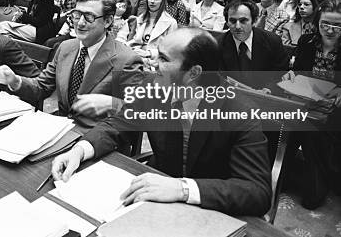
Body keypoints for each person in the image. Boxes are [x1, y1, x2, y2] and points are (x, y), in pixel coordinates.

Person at [52, 28, 272, 216]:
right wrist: (79, 151)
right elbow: (116, 125)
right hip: (155, 200)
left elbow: (257, 192)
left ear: (194, 73)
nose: (151, 63)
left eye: (163, 59)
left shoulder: (239, 110)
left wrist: (182, 188)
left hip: (209, 210)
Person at [0, 0, 144, 127]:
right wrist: (15, 81)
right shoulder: (66, 47)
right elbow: (42, 87)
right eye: (77, 15)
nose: (80, 23)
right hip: (63, 127)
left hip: (99, 140)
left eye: (89, 17)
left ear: (108, 21)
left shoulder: (126, 60)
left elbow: (136, 112)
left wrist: (112, 103)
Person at [282, 0, 341, 209]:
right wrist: (290, 75)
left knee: (312, 197)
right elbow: (297, 71)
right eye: (325, 23)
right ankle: (284, 175)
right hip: (302, 103)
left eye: (337, 25)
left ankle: (315, 182)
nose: (329, 29)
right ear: (317, 21)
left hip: (331, 112)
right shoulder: (306, 42)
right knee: (285, 133)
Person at [219, 0, 289, 89]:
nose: (237, 26)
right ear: (227, 23)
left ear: (254, 21)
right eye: (232, 21)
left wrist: (268, 90)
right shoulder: (217, 45)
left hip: (266, 98)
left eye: (243, 21)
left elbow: (280, 73)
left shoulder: (272, 41)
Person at [118, 0, 178, 68]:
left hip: (155, 62)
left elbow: (171, 51)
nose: (152, 1)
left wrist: (149, 53)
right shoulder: (139, 19)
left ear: (162, 1)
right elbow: (122, 37)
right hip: (134, 57)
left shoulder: (171, 23)